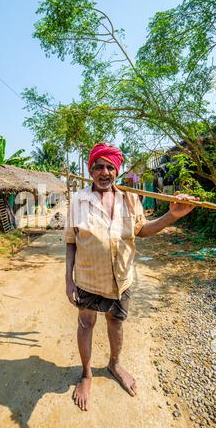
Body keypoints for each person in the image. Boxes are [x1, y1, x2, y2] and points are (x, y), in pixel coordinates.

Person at [65, 142, 198, 411]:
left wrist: (171, 215)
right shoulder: (78, 200)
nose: (104, 172)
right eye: (99, 167)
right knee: (86, 325)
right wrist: (68, 280)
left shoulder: (130, 198)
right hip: (88, 279)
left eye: (110, 167)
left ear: (117, 171)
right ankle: (87, 374)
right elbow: (71, 241)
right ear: (90, 171)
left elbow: (142, 231)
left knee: (116, 324)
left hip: (121, 279)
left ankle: (114, 365)